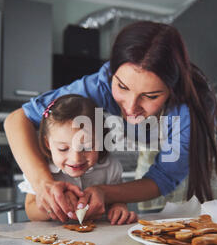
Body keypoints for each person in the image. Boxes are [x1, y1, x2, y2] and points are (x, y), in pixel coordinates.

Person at [4, 20, 217, 223]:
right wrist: (43, 183)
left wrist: (107, 193)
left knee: (204, 222)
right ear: (111, 73)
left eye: (151, 96)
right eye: (122, 87)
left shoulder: (187, 110)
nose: (131, 107)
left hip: (197, 159)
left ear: (171, 90)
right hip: (151, 150)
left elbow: (165, 176)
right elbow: (17, 120)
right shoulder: (99, 85)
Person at [18, 94, 137, 225]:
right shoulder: (39, 169)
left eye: (87, 147)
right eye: (63, 148)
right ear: (48, 144)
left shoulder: (109, 166)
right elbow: (30, 210)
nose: (76, 158)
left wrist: (119, 207)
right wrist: (54, 207)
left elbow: (117, 198)